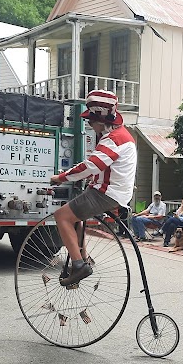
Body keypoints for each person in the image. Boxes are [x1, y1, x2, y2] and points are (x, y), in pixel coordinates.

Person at [50, 90, 136, 286]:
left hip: (106, 193)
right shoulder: (121, 136)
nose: (89, 124)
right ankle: (82, 257)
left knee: (62, 216)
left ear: (100, 121)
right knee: (75, 218)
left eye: (90, 120)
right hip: (112, 191)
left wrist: (61, 178)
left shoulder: (114, 139)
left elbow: (91, 166)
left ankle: (79, 265)